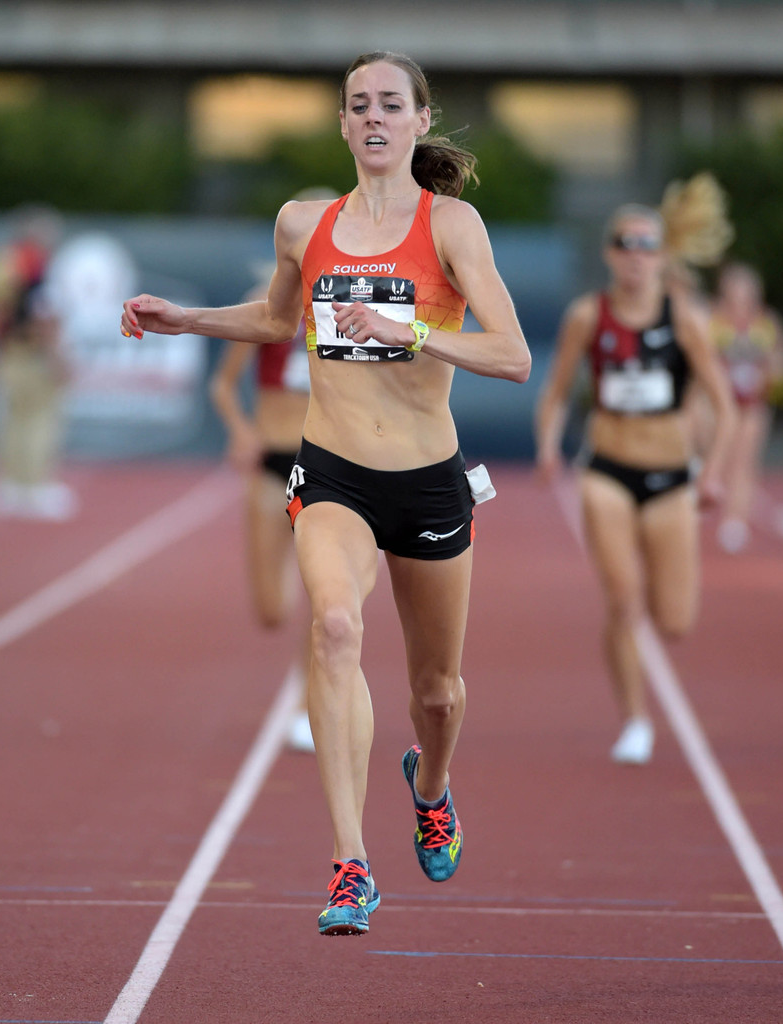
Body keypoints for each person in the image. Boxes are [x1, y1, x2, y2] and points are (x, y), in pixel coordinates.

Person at [122, 51, 531, 936]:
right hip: (333, 469)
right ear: (343, 125)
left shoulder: (452, 226)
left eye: (391, 103)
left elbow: (512, 356)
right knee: (335, 626)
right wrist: (185, 319)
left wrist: (409, 326)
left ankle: (431, 786)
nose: (374, 117)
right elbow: (277, 319)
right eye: (358, 105)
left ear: (419, 121)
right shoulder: (303, 223)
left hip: (428, 480)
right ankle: (351, 865)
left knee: (440, 692)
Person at [535, 177, 737, 767]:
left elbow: (723, 405)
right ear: (609, 253)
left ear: (662, 256)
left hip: (672, 475)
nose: (636, 255)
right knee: (622, 600)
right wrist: (549, 445)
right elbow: (553, 393)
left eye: (647, 245)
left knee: (674, 620)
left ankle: (658, 588)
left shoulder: (686, 318)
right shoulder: (587, 316)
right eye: (626, 244)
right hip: (607, 470)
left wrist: (715, 472)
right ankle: (635, 719)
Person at [209, 193, 337, 753]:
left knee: (325, 603)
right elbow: (221, 384)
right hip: (270, 464)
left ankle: (310, 705)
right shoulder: (262, 305)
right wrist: (240, 429)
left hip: (326, 465)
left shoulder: (348, 304)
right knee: (271, 610)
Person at [0, 205, 77, 520]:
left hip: (12, 351)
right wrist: (58, 356)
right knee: (40, 421)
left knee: (15, 419)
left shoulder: (4, 262)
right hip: (34, 353)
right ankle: (34, 486)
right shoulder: (35, 267)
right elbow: (44, 314)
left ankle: (13, 485)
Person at [706, 262, 783, 553]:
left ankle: (734, 519)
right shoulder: (714, 319)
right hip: (722, 404)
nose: (740, 298)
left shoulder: (766, 322)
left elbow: (778, 358)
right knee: (724, 460)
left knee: (745, 460)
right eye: (735, 292)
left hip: (753, 403)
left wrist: (771, 378)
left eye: (746, 292)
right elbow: (703, 359)